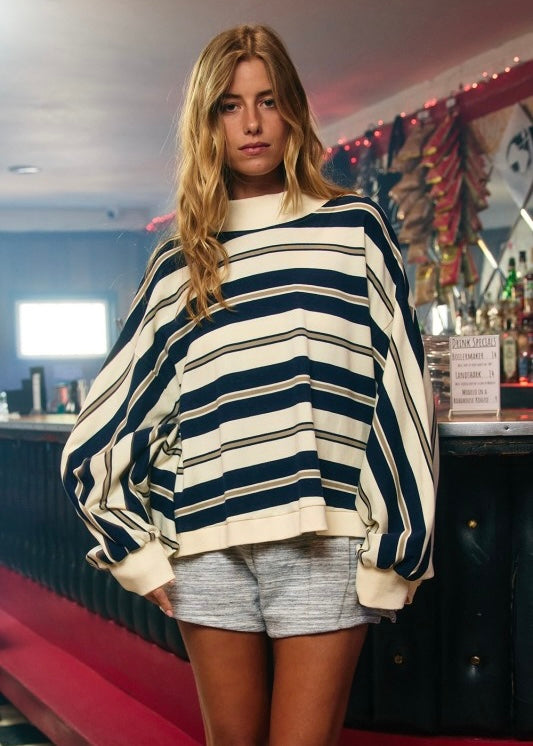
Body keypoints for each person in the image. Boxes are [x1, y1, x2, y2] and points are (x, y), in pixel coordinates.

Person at [61, 24, 438, 746]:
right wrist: (134, 551)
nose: (253, 123)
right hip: (207, 546)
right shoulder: (182, 259)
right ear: (207, 124)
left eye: (267, 101)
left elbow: (401, 393)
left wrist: (395, 551)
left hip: (326, 538)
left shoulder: (354, 230)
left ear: (292, 109)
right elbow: (104, 427)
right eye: (229, 107)